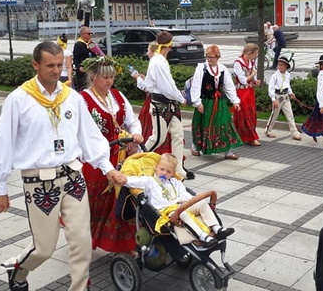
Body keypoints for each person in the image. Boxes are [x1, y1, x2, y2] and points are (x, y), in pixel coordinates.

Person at [0, 41, 127, 291]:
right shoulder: (19, 99)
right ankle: (18, 271)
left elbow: (89, 136)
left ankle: (80, 287)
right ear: (35, 65)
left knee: (82, 240)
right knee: (44, 248)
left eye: (59, 65)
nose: (55, 70)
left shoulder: (70, 97)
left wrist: (107, 168)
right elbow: (3, 144)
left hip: (73, 176)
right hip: (40, 181)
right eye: (49, 65)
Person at [80, 56, 143, 253]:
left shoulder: (116, 95)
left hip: (121, 155)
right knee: (95, 202)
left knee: (122, 199)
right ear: (92, 76)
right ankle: (85, 238)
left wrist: (136, 132)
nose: (109, 81)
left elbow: (131, 119)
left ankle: (122, 243)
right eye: (105, 77)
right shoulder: (83, 99)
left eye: (112, 77)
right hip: (96, 159)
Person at [124, 153, 234, 247]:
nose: (164, 173)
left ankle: (217, 228)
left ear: (172, 173)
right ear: (156, 167)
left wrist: (194, 201)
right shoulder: (150, 181)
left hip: (180, 205)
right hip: (165, 213)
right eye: (162, 169)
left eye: (168, 172)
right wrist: (122, 178)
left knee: (202, 203)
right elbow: (134, 181)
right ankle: (203, 236)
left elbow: (185, 195)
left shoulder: (175, 182)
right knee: (183, 214)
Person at [142, 31, 188, 179]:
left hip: (168, 104)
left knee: (178, 134)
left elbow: (152, 84)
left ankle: (178, 169)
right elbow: (167, 86)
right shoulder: (158, 62)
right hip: (161, 104)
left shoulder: (158, 60)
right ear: (170, 45)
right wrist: (181, 98)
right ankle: (137, 159)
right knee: (158, 138)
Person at [189, 45, 242, 160]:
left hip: (220, 103)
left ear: (218, 57)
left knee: (224, 124)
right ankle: (195, 147)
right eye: (208, 57)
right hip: (206, 102)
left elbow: (229, 86)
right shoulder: (201, 68)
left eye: (212, 57)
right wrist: (197, 103)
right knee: (203, 125)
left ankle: (227, 151)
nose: (209, 59)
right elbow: (196, 86)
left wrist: (235, 101)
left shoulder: (222, 69)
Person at [265, 57, 301, 140]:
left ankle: (295, 132)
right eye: (279, 65)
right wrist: (274, 100)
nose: (280, 66)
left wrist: (291, 93)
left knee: (290, 115)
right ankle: (268, 130)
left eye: (282, 65)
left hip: (285, 97)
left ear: (286, 66)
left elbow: (287, 85)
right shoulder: (275, 76)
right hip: (278, 96)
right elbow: (271, 88)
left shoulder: (288, 75)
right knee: (274, 115)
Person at [233, 43, 261, 146]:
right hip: (241, 92)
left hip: (249, 92)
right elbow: (243, 80)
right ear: (249, 53)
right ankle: (249, 137)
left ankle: (247, 136)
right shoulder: (238, 63)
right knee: (243, 114)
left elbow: (249, 80)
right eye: (255, 54)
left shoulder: (251, 62)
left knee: (251, 113)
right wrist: (252, 76)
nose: (255, 56)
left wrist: (254, 81)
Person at [72, 26, 97, 91]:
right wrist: (79, 67)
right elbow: (75, 58)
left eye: (90, 33)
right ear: (83, 34)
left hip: (91, 69)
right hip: (82, 70)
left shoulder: (90, 43)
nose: (90, 35)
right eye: (89, 33)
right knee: (83, 88)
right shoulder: (78, 44)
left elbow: (95, 55)